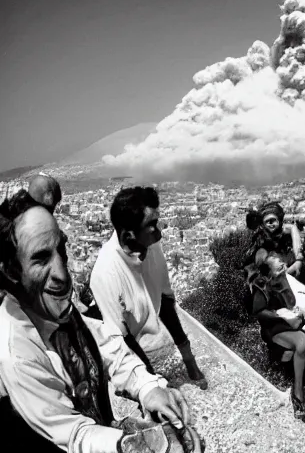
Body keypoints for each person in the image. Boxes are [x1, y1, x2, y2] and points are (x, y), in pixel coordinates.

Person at [0, 190, 202, 453]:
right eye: (41, 259)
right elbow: (72, 434)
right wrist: (132, 444)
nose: (62, 273)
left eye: (60, 250)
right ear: (12, 271)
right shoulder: (17, 351)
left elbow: (100, 340)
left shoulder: (47, 310)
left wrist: (148, 387)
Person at [90, 186, 207, 388]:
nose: (160, 233)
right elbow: (122, 342)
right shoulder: (106, 274)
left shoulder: (151, 244)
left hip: (136, 326)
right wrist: (152, 384)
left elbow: (166, 303)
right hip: (115, 341)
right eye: (152, 225)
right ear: (128, 237)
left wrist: (189, 360)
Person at [249, 248, 305, 423]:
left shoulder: (284, 280)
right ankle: (298, 394)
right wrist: (279, 314)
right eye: (278, 268)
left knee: (300, 346)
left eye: (283, 265)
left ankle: (289, 366)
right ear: (269, 271)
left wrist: (294, 310)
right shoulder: (261, 286)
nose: (283, 269)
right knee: (303, 342)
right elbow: (259, 311)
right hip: (274, 327)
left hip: (289, 321)